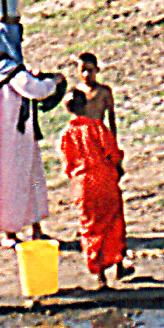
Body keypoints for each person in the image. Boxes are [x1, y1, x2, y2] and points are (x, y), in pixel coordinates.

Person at [0, 0, 65, 244]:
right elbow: (34, 89)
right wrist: (55, 81)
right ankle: (11, 232)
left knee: (30, 178)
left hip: (18, 133)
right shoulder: (10, 69)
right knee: (15, 181)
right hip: (13, 136)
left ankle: (35, 228)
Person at [59, 89, 127, 289]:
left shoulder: (66, 134)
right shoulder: (97, 127)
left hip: (83, 185)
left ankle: (100, 275)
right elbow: (112, 152)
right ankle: (118, 261)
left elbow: (67, 165)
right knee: (113, 222)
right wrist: (117, 166)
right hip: (104, 180)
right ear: (86, 106)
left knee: (90, 228)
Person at [73, 51, 117, 134]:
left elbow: (111, 117)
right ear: (78, 71)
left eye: (90, 70)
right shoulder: (76, 92)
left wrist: (113, 141)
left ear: (97, 70)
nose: (86, 74)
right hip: (80, 135)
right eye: (83, 70)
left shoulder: (104, 91)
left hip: (98, 135)